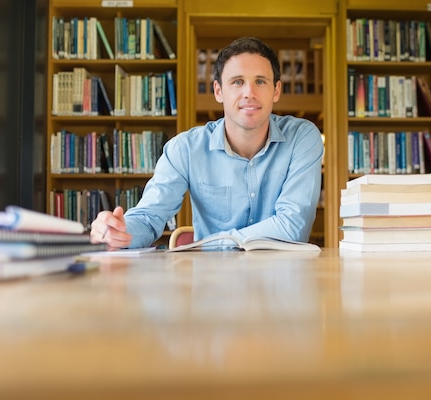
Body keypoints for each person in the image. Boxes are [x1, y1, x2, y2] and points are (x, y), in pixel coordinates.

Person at [90, 37, 324, 249]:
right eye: (237, 81)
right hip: (213, 284)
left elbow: (292, 226)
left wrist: (215, 243)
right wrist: (120, 231)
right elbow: (149, 218)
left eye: (260, 81)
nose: (249, 92)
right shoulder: (185, 149)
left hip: (284, 281)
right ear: (218, 91)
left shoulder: (302, 138)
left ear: (276, 90)